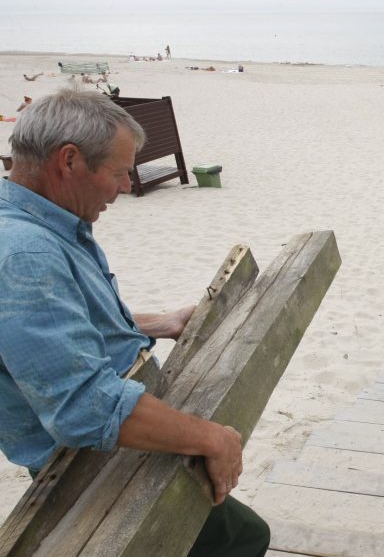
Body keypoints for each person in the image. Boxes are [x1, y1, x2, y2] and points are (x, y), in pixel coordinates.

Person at [0, 89, 270, 557]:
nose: (126, 186)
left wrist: (157, 322)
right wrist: (215, 439)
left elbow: (56, 327)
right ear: (69, 161)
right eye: (120, 171)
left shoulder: (42, 223)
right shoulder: (26, 253)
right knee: (243, 538)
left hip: (110, 439)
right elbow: (84, 406)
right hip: (90, 460)